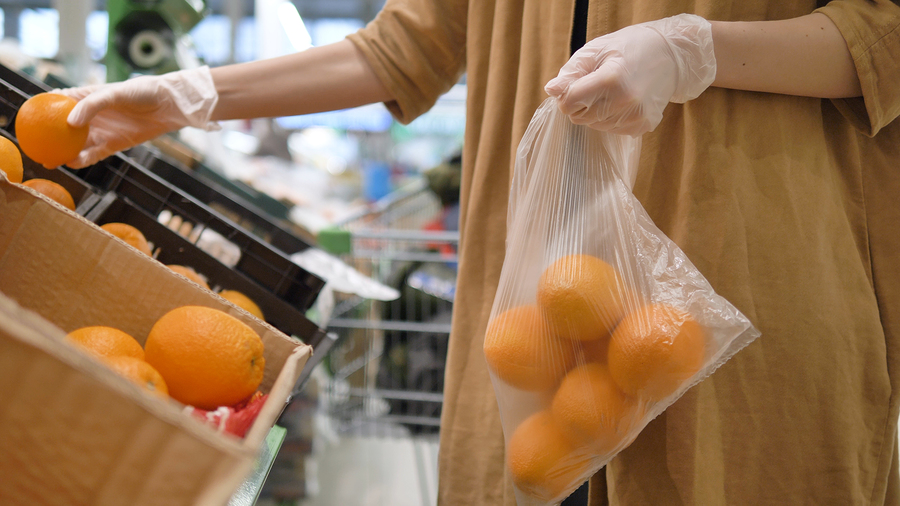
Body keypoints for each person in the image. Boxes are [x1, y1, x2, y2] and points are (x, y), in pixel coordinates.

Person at [57, 1, 900, 504]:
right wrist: (190, 96)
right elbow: (400, 48)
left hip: (748, 275)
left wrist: (700, 49)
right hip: (534, 310)